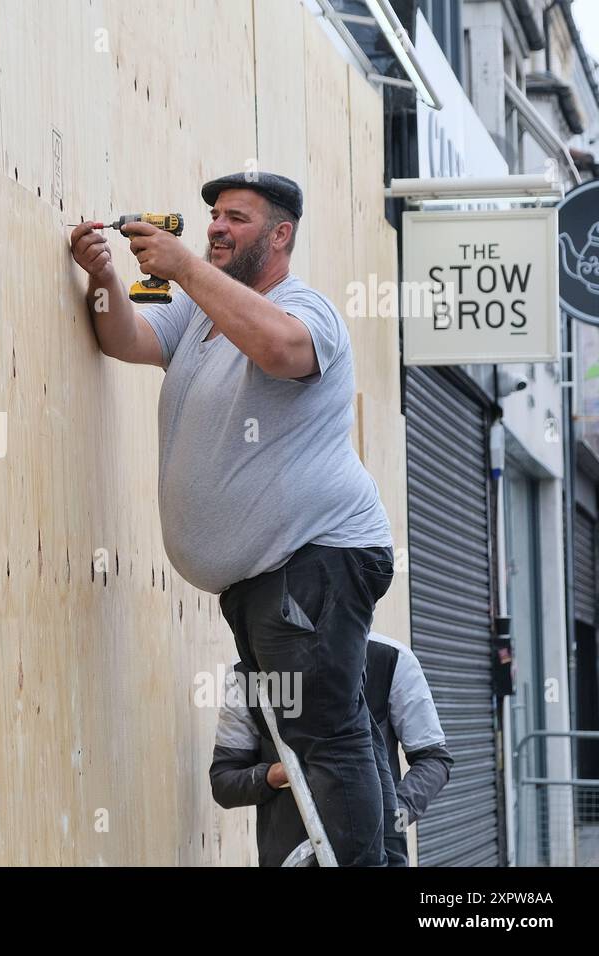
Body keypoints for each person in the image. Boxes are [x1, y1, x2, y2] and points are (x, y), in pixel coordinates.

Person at [70, 172, 400, 865]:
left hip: (316, 558)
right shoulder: (199, 313)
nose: (217, 227)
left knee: (325, 737)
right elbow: (123, 338)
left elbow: (282, 350)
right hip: (263, 579)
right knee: (299, 735)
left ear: (280, 235)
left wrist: (185, 265)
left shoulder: (306, 308)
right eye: (214, 216)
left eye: (238, 219)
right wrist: (101, 276)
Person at [211, 631, 454, 866]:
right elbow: (224, 782)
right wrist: (278, 774)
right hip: (288, 859)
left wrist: (393, 815)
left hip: (377, 859)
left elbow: (433, 760)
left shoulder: (391, 659)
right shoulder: (245, 676)